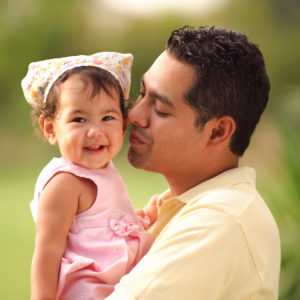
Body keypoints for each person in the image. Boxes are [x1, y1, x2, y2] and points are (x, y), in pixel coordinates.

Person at [106, 26, 281, 299]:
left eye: (161, 110)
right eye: (141, 94)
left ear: (218, 132)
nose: (134, 115)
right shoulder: (176, 206)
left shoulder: (221, 220)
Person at [21, 52, 153, 300]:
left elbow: (99, 225)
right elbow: (47, 254)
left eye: (107, 118)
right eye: (78, 119)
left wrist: (140, 216)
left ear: (123, 125)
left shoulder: (103, 170)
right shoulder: (65, 183)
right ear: (51, 129)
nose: (95, 131)